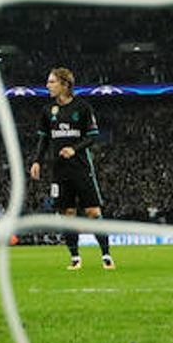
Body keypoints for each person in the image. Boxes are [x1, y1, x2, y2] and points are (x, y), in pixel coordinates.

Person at [27, 67, 115, 271]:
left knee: (93, 212)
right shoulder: (47, 111)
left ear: (64, 84)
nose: (47, 85)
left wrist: (74, 149)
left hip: (81, 168)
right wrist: (37, 161)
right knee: (67, 213)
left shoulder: (83, 107)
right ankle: (75, 258)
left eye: (51, 82)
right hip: (59, 170)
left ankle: (106, 255)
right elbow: (44, 139)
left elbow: (93, 136)